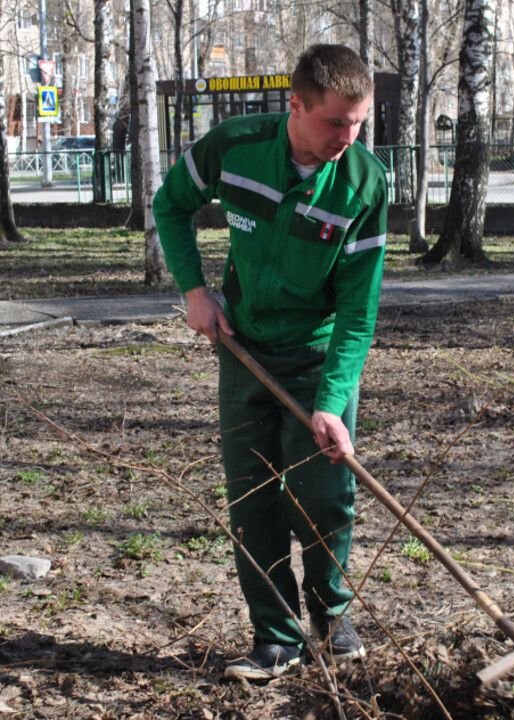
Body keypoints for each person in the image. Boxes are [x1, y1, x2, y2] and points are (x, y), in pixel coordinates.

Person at [153, 44, 388, 682]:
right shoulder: (236, 146)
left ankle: (331, 618)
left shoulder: (364, 183)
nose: (348, 137)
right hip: (245, 351)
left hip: (317, 358)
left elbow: (358, 311)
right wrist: (194, 291)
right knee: (252, 500)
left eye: (359, 123)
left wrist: (332, 402)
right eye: (335, 122)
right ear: (296, 105)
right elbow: (171, 203)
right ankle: (277, 638)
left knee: (326, 498)